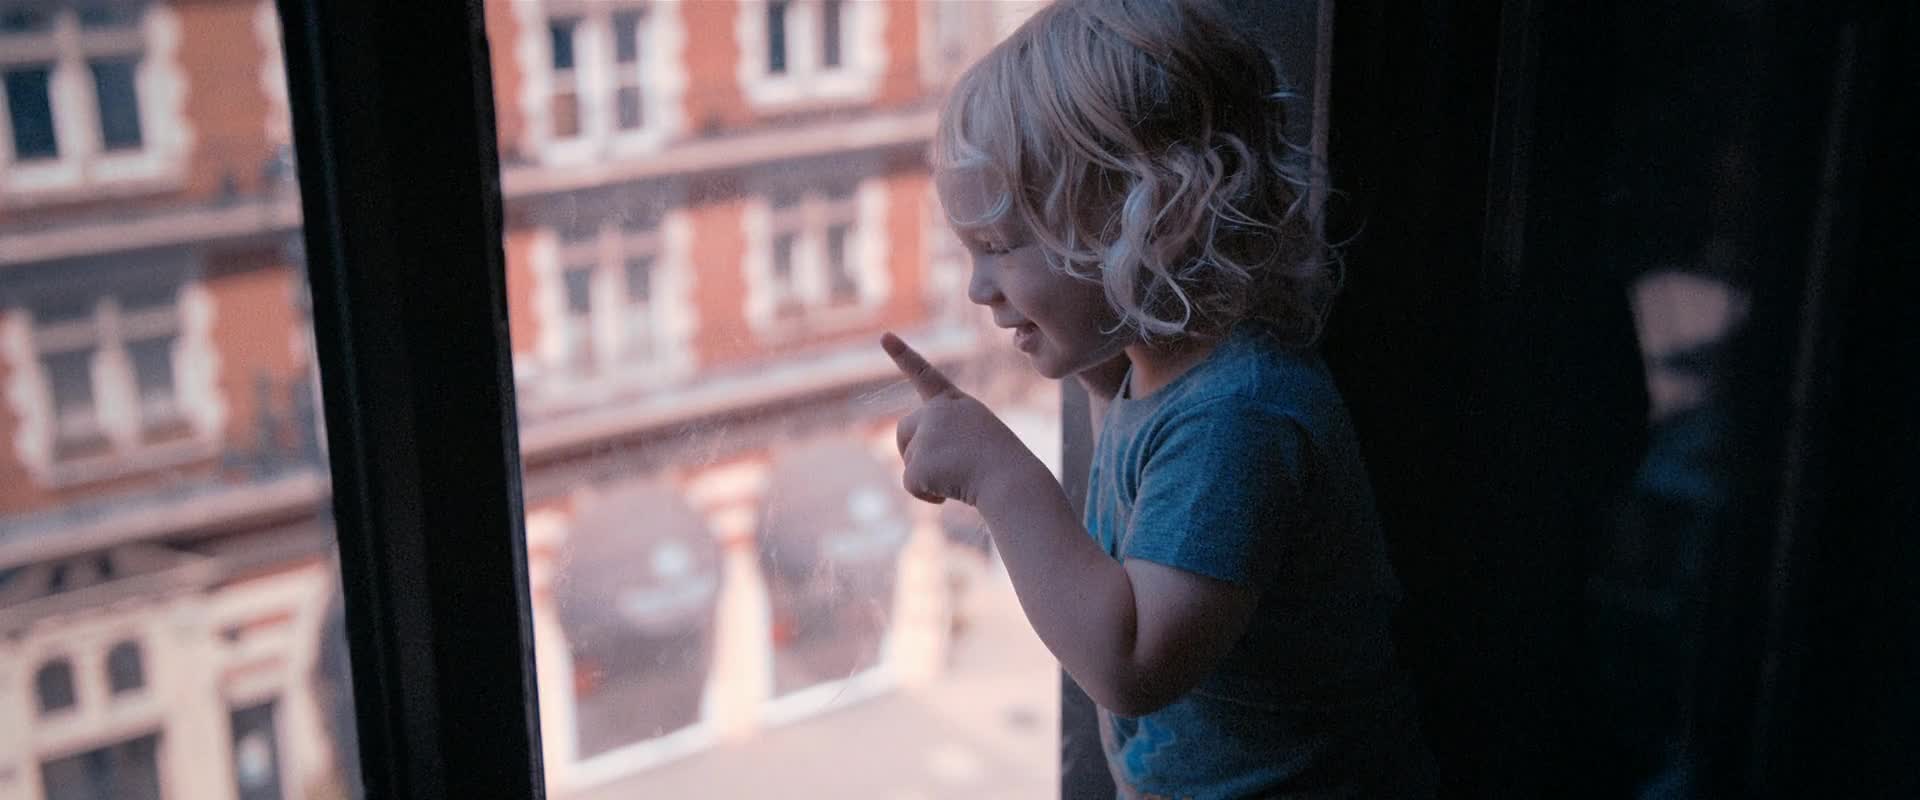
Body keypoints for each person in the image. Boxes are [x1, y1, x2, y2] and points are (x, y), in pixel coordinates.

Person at [881, 0, 1435, 796]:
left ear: (1144, 221)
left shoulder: (1236, 416)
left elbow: (1133, 659)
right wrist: (1083, 360)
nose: (979, 288)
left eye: (999, 247)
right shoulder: (1154, 367)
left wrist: (998, 475)